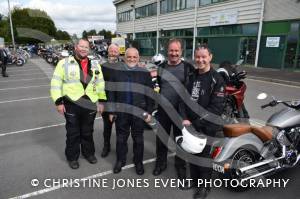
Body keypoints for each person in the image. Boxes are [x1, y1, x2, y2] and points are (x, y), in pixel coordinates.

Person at [50, 39, 106, 169]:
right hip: (72, 103)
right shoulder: (64, 63)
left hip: (90, 103)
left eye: (86, 47)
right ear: (76, 47)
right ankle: (72, 157)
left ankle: (89, 153)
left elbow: (100, 83)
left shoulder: (95, 64)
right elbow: (55, 83)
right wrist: (58, 102)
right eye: (81, 46)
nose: (83, 49)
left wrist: (101, 101)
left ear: (89, 49)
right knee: (73, 132)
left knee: (87, 131)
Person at [182, 45, 225, 199]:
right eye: (197, 57)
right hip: (191, 124)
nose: (200, 60)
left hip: (207, 126)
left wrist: (196, 123)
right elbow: (184, 100)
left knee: (204, 157)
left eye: (203, 57)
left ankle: (204, 187)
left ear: (210, 57)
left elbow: (216, 108)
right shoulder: (192, 76)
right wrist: (185, 118)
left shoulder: (217, 79)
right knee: (192, 153)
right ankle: (194, 181)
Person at [153, 38, 194, 185]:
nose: (174, 53)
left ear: (181, 51)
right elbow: (158, 85)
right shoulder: (161, 67)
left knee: (180, 142)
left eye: (176, 50)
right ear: (167, 51)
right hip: (163, 111)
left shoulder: (188, 68)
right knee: (161, 140)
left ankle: (181, 168)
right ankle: (161, 164)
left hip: (180, 113)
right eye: (171, 50)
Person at [108, 48, 154, 175]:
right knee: (121, 139)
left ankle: (138, 161)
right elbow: (111, 92)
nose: (132, 59)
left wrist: (149, 112)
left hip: (139, 112)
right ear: (124, 58)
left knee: (138, 139)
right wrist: (111, 111)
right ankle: (120, 160)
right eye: (129, 57)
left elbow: (150, 94)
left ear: (138, 58)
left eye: (134, 57)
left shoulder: (144, 73)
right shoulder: (116, 72)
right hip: (121, 112)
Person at [100, 43, 122, 158]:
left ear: (119, 53)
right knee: (107, 128)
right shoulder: (103, 67)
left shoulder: (124, 66)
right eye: (111, 51)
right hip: (106, 102)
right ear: (108, 52)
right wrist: (100, 102)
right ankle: (106, 147)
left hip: (120, 104)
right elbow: (99, 86)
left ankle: (120, 149)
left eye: (115, 51)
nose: (113, 53)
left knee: (120, 129)